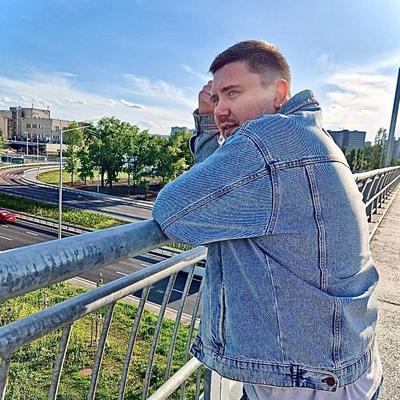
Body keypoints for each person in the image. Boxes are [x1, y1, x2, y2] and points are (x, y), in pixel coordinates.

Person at [152, 40, 382, 399]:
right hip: (336, 364)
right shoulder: (304, 135)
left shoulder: (270, 138)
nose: (221, 110)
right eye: (216, 99)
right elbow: (220, 188)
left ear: (279, 93)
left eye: (233, 93)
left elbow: (173, 211)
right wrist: (209, 124)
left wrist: (209, 128)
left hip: (310, 384)